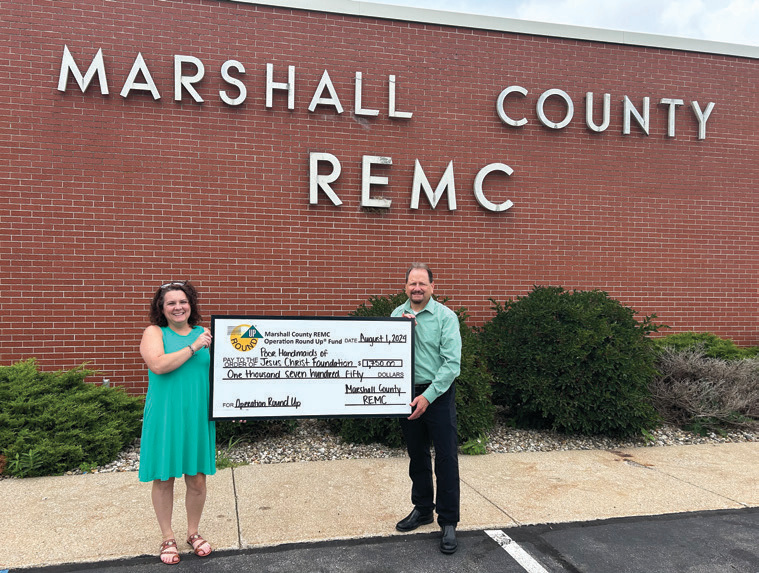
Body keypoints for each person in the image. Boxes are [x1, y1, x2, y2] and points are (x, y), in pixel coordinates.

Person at [138, 280, 216, 565]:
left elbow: (218, 375)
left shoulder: (205, 333)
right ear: (162, 307)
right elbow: (158, 365)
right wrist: (193, 347)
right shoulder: (155, 332)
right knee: (163, 477)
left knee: (196, 478)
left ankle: (193, 532)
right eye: (171, 302)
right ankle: (167, 536)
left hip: (196, 414)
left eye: (182, 301)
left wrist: (231, 403)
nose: (178, 307)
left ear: (190, 304)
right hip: (165, 414)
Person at [391, 263, 462, 554]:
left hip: (438, 394)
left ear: (432, 287)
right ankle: (422, 509)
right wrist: (404, 332)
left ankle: (448, 521)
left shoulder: (446, 317)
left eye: (422, 283)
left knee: (445, 457)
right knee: (416, 455)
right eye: (412, 284)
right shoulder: (397, 315)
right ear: (405, 287)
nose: (416, 288)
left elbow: (451, 364)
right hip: (406, 393)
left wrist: (428, 396)